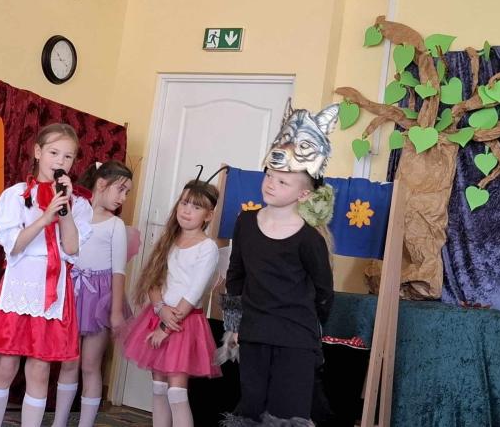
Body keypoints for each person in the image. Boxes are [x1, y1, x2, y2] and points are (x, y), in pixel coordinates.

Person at [222, 101, 338, 427]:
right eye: (270, 176)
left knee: (287, 415)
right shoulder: (245, 222)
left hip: (295, 340)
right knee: (250, 411)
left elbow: (324, 293)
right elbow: (235, 276)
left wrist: (306, 328)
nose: (271, 184)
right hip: (253, 334)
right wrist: (234, 325)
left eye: (283, 182)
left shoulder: (309, 239)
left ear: (303, 195)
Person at [0, 123, 93, 427]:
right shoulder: (16, 195)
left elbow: (72, 247)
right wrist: (45, 217)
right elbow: (14, 245)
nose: (60, 161)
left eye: (68, 156)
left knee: (40, 369)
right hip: (20, 284)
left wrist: (64, 208)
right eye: (54, 153)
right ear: (38, 152)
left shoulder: (79, 204)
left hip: (52, 289)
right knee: (5, 364)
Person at [121, 175, 221, 427]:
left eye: (196, 207)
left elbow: (193, 293)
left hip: (183, 324)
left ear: (208, 215)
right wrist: (160, 309)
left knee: (176, 391)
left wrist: (166, 327)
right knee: (158, 387)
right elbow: (154, 280)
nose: (187, 211)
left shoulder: (207, 247)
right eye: (184, 203)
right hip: (159, 316)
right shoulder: (169, 240)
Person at [51, 160, 133, 427]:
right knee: (68, 362)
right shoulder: (75, 211)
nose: (123, 198)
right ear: (101, 184)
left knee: (90, 364)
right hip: (72, 293)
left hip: (99, 299)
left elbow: (118, 271)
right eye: (120, 190)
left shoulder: (115, 225)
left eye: (127, 193)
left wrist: (116, 311)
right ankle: (59, 422)